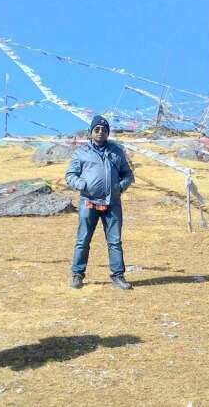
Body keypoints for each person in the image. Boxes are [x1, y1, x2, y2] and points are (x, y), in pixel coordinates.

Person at [65, 115, 135, 290]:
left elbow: (128, 175)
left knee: (115, 241)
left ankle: (118, 275)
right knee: (83, 239)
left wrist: (120, 187)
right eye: (97, 129)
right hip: (88, 202)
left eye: (104, 130)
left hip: (112, 203)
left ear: (108, 133)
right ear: (90, 132)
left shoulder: (117, 152)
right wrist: (81, 184)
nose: (100, 132)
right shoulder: (81, 153)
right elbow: (70, 175)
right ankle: (77, 275)